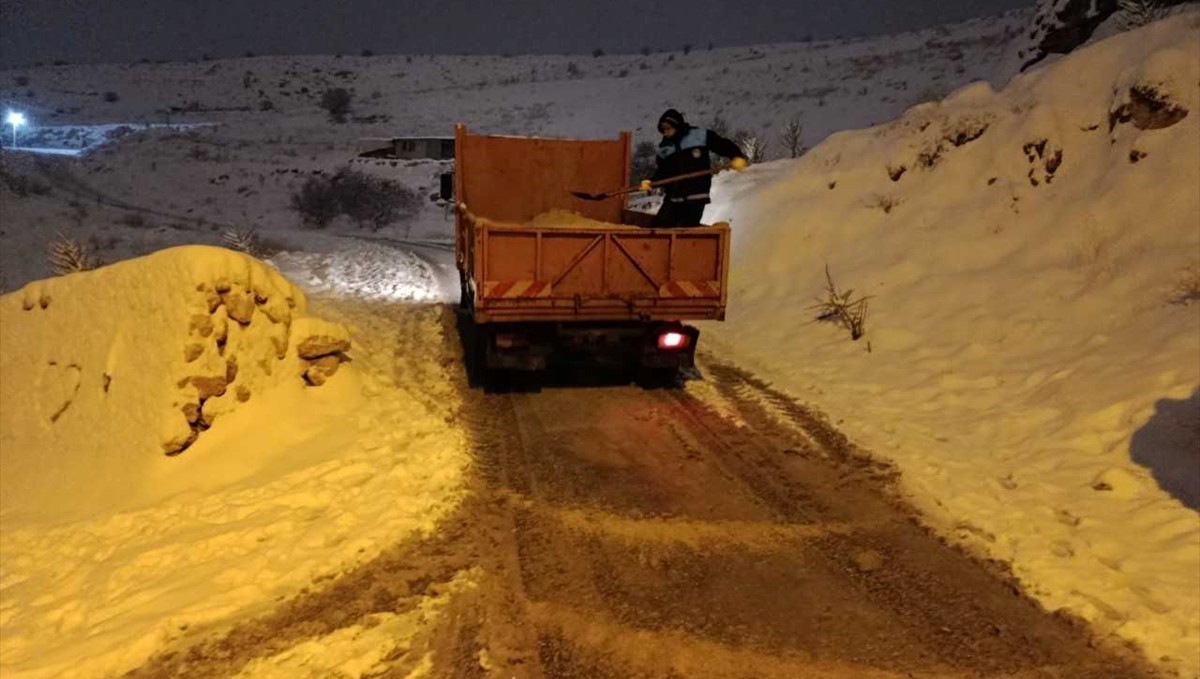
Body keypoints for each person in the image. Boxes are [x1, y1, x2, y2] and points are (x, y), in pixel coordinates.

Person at [639, 109, 748, 228]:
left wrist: (736, 157)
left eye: (668, 128)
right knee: (659, 226)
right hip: (674, 196)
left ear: (677, 125)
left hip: (696, 194)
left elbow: (722, 144)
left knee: (687, 229)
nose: (665, 133)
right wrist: (651, 182)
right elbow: (663, 172)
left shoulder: (698, 136)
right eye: (663, 130)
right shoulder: (665, 147)